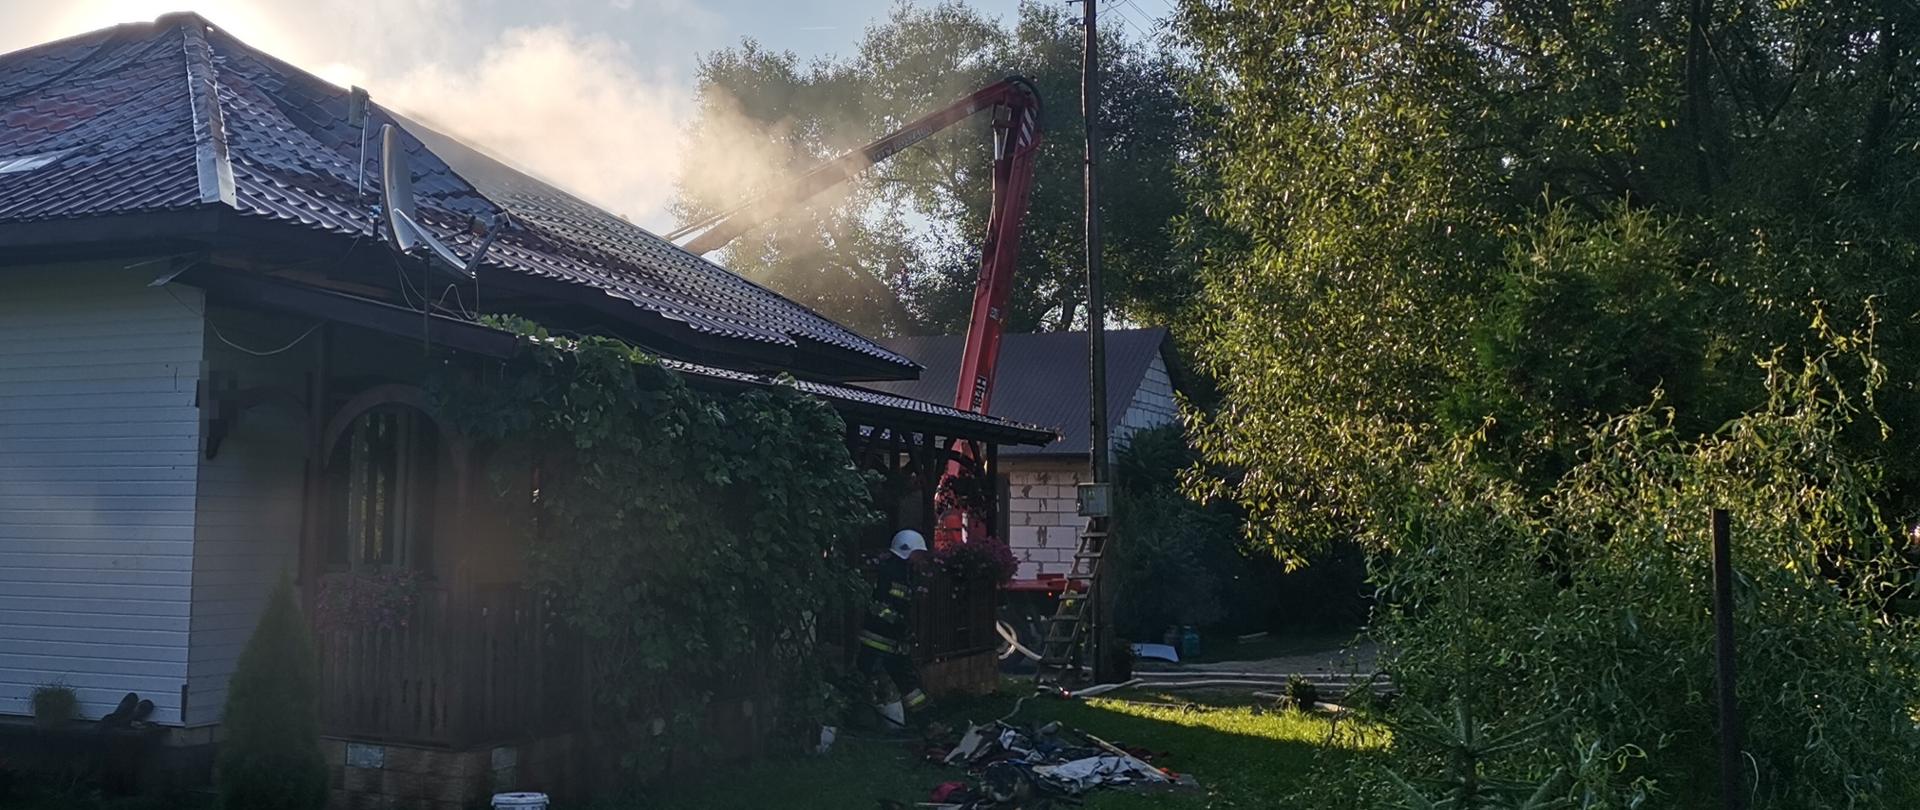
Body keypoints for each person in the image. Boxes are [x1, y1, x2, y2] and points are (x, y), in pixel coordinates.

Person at [859, 529, 929, 727]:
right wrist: (900, 624)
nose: (920, 559)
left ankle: (922, 721)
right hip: (878, 641)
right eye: (918, 554)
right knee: (874, 682)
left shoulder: (903, 572)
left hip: (893, 641)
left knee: (907, 682)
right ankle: (877, 723)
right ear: (907, 551)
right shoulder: (891, 573)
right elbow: (880, 606)